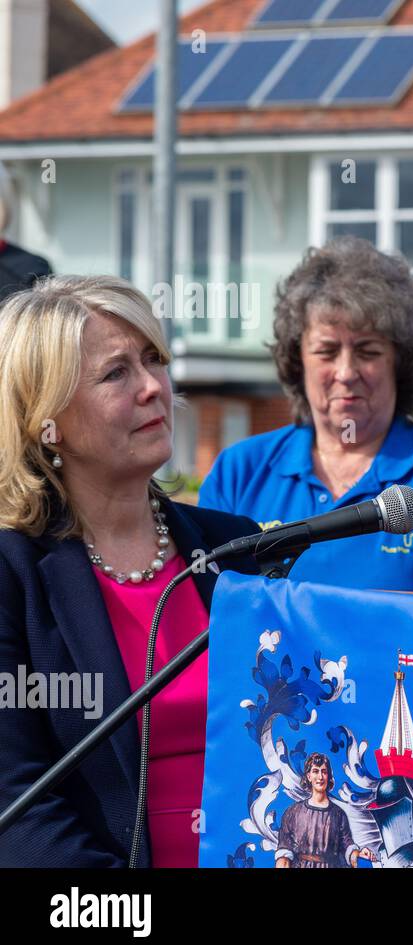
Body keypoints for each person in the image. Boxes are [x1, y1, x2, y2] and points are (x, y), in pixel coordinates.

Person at [0, 276, 263, 867]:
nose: (153, 388)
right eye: (116, 373)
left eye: (154, 360)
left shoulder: (233, 547)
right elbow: (14, 808)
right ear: (48, 420)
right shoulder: (12, 573)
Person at [200, 236, 413, 595]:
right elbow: (211, 615)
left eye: (367, 351)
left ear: (400, 363)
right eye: (326, 351)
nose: (346, 372)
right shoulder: (238, 472)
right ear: (298, 362)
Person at [275, 753, 373, 868]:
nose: (320, 777)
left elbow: (347, 846)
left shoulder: (338, 814)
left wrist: (358, 854)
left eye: (324, 772)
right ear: (308, 776)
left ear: (329, 776)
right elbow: (284, 856)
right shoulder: (293, 813)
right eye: (315, 771)